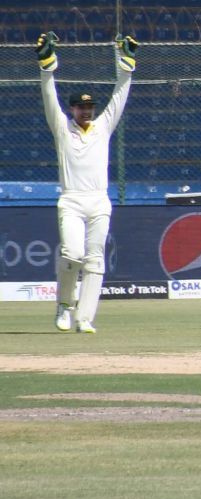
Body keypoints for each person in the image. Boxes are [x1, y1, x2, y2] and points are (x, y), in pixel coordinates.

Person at [36, 31, 137, 334]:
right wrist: (46, 67)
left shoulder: (102, 126)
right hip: (71, 199)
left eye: (90, 107)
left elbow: (120, 95)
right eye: (82, 108)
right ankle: (65, 306)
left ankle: (85, 318)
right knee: (72, 254)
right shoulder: (62, 128)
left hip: (98, 199)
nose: (87, 111)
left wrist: (127, 66)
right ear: (72, 110)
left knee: (94, 261)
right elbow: (49, 96)